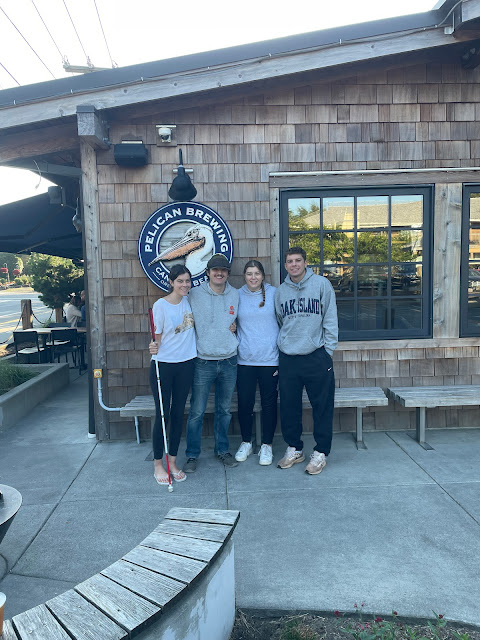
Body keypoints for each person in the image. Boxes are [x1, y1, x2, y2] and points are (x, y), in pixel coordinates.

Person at [275, 246, 338, 475]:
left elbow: (330, 318)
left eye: (298, 260)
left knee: (322, 406)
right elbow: (281, 321)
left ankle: (321, 452)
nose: (294, 264)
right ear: (285, 265)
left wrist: (327, 351)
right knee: (289, 407)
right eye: (290, 261)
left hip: (316, 356)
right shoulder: (280, 292)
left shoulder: (321, 284)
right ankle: (294, 448)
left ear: (305, 262)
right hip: (289, 358)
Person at [183, 253, 240, 473]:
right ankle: (192, 455)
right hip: (203, 361)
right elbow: (180, 315)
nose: (219, 273)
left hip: (229, 360)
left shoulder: (235, 294)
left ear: (227, 273)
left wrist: (234, 327)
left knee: (224, 410)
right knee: (197, 411)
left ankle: (222, 450)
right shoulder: (193, 294)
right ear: (207, 272)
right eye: (215, 270)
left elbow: (239, 321)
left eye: (223, 270)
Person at [149, 264, 196, 485]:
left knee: (178, 414)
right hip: (164, 365)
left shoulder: (190, 301)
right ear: (171, 282)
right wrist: (153, 346)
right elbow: (156, 337)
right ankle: (158, 463)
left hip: (186, 364)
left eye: (187, 281)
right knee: (163, 415)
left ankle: (172, 461)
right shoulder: (161, 305)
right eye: (180, 281)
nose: (185, 285)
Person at [234, 260, 279, 466]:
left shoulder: (274, 293)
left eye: (257, 274)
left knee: (269, 404)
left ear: (263, 275)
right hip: (245, 359)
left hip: (270, 359)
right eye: (249, 274)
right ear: (244, 276)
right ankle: (246, 442)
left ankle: (267, 445)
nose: (253, 277)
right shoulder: (237, 295)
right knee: (245, 403)